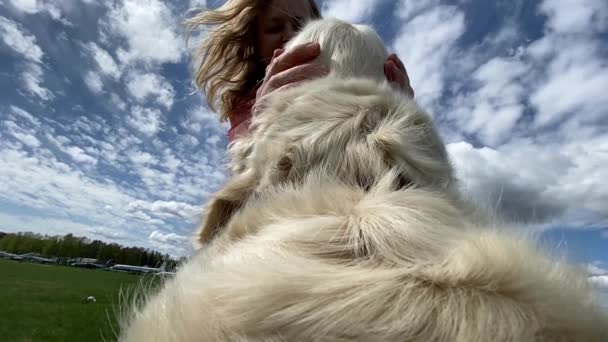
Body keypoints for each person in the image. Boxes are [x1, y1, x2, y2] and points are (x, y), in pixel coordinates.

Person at [187, 0, 415, 142]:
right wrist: (262, 123)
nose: (289, 35)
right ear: (255, 43)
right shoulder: (246, 111)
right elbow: (252, 194)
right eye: (274, 28)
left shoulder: (352, 68)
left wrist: (404, 116)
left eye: (299, 25)